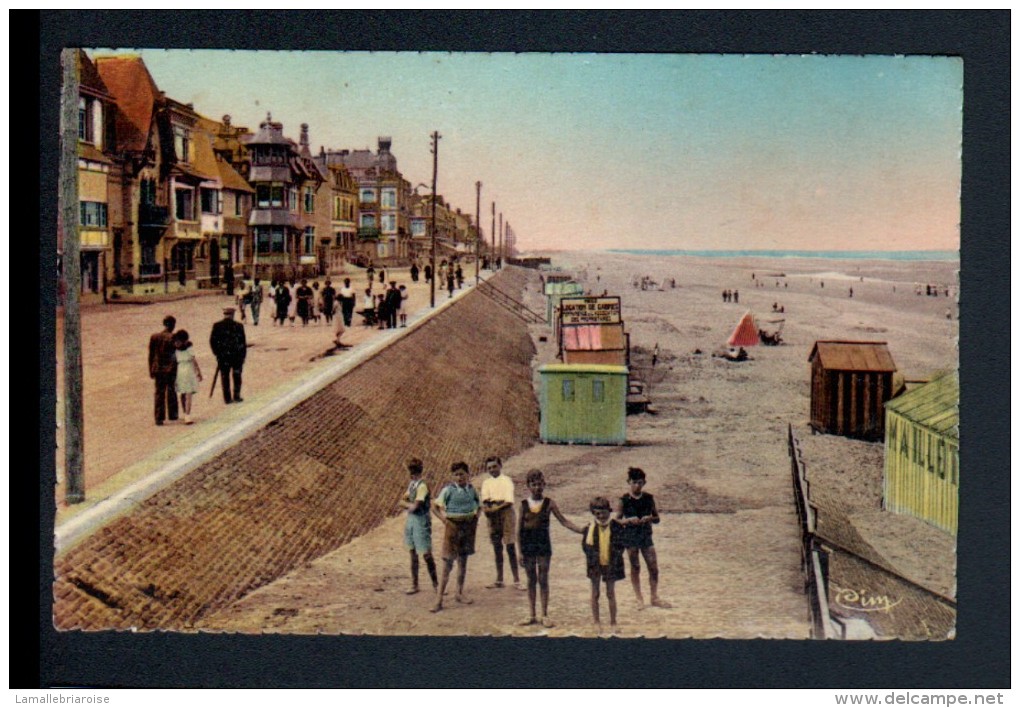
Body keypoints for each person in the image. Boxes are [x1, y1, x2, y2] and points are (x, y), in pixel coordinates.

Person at [516, 469, 584, 628]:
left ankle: (544, 614)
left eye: (540, 484)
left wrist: (581, 530)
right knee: (531, 580)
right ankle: (531, 614)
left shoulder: (549, 503)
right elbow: (518, 530)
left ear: (544, 485)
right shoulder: (523, 505)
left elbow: (564, 521)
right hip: (528, 547)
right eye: (534, 485)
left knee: (543, 580)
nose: (537, 488)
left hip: (543, 546)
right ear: (528, 486)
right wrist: (519, 552)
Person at [616, 467, 670, 609]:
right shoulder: (624, 500)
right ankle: (639, 598)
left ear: (644, 483)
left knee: (653, 567)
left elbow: (657, 518)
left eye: (640, 483)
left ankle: (654, 597)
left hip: (646, 536)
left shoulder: (648, 498)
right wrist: (628, 521)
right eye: (634, 482)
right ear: (629, 482)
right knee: (635, 567)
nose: (637, 486)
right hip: (631, 537)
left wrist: (650, 518)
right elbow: (616, 521)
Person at [430, 461, 480, 612]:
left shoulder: (472, 490)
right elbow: (434, 506)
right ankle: (438, 600)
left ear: (468, 475)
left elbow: (479, 505)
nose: (459, 477)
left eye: (462, 474)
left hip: (468, 528)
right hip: (452, 528)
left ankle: (459, 593)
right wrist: (444, 519)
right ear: (452, 476)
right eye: (456, 475)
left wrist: (476, 517)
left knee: (463, 561)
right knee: (447, 564)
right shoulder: (448, 490)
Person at [583, 496, 626, 633]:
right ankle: (596, 622)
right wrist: (593, 560)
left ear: (609, 511)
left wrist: (614, 559)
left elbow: (621, 546)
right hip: (595, 565)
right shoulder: (590, 528)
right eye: (597, 513)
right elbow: (585, 547)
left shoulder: (617, 527)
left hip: (610, 565)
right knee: (595, 593)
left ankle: (613, 622)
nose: (601, 516)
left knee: (610, 593)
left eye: (604, 512)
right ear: (593, 514)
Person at [479, 457, 523, 591]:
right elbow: (485, 500)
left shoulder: (507, 480)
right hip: (492, 514)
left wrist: (494, 509)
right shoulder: (486, 483)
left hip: (506, 513)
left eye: (494, 466)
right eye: (489, 468)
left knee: (510, 546)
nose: (492, 470)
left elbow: (509, 501)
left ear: (500, 466)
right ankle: (499, 579)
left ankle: (516, 580)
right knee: (497, 548)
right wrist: (487, 509)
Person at [400, 458, 438, 595]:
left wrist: (408, 505)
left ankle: (436, 585)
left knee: (426, 553)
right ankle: (415, 584)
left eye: (415, 471)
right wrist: (409, 505)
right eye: (411, 472)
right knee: (412, 552)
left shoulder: (422, 486)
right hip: (411, 521)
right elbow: (401, 501)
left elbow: (416, 506)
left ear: (419, 472)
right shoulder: (412, 485)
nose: (412, 474)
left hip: (421, 521)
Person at [209, 306, 247, 404]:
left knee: (225, 377)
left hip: (223, 357)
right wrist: (243, 356)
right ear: (233, 315)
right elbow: (243, 342)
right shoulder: (238, 326)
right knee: (237, 376)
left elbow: (212, 342)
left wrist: (217, 353)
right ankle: (237, 396)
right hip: (236, 356)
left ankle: (227, 398)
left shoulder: (217, 326)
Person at [148, 315, 179, 425]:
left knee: (159, 393)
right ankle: (173, 414)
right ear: (173, 325)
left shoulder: (155, 337)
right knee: (171, 390)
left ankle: (159, 418)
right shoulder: (173, 337)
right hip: (170, 369)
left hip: (158, 369)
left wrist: (151, 369)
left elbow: (151, 355)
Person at [172, 329, 202, 425]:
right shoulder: (189, 348)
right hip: (188, 370)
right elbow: (194, 360)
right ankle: (187, 415)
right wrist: (198, 372)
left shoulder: (175, 349)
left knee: (182, 393)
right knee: (188, 394)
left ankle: (185, 412)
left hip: (180, 370)